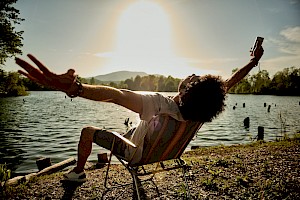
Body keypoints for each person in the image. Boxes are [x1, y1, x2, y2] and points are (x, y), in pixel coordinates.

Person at [15, 45, 264, 182]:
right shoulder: (200, 113)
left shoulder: (161, 105)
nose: (190, 75)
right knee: (126, 132)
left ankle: (78, 173)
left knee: (88, 131)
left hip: (137, 155)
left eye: (193, 78)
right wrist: (253, 62)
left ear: (187, 90)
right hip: (165, 153)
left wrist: (76, 88)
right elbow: (228, 83)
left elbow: (117, 95)